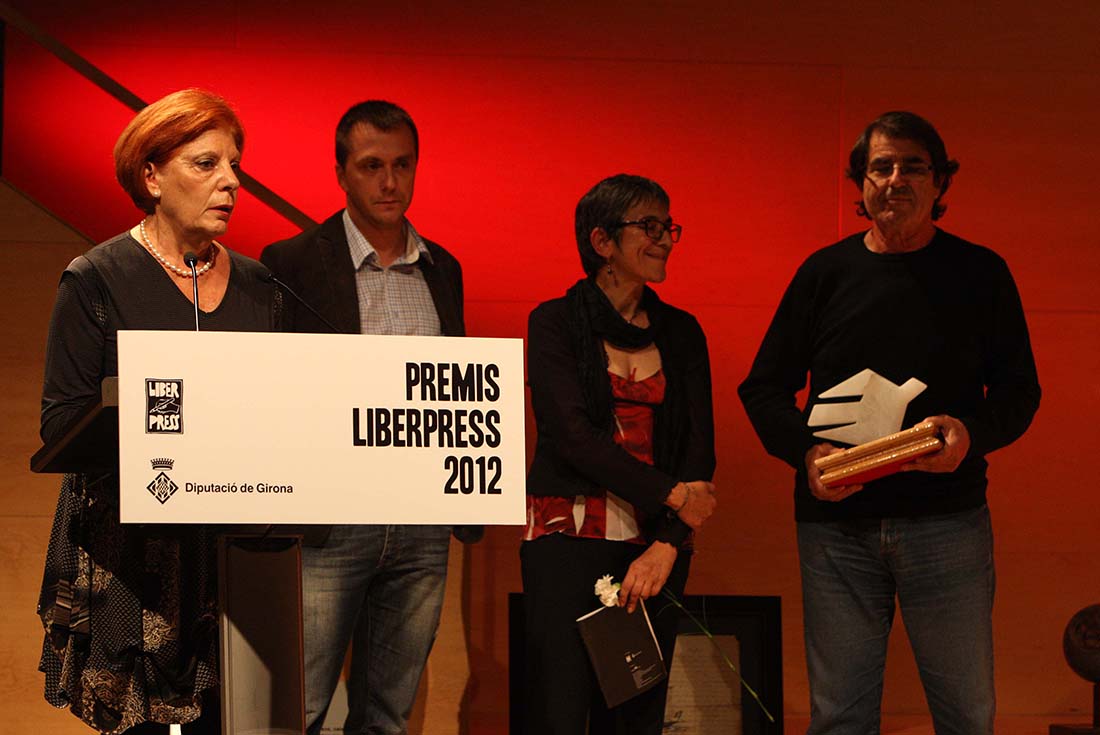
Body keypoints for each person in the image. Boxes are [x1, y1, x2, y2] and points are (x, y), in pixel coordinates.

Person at [738, 111, 1041, 735]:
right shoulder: (823, 274)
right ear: (861, 182)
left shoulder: (981, 273)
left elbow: (1019, 392)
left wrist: (970, 436)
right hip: (835, 528)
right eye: (881, 167)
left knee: (967, 715)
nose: (896, 179)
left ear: (939, 181)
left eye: (913, 166)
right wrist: (806, 453)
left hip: (948, 522)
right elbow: (763, 388)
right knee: (839, 716)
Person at [37, 89, 280, 734]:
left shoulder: (261, 286)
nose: (231, 182)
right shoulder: (97, 278)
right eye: (206, 164)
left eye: (235, 165)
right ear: (151, 176)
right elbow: (61, 425)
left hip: (237, 552)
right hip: (134, 554)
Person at [260, 99, 474, 735]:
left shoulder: (443, 268)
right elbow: (273, 385)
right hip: (334, 514)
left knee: (387, 715)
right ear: (341, 174)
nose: (389, 182)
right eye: (372, 166)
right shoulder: (293, 262)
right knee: (298, 707)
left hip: (423, 515)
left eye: (402, 165)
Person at [522, 173, 718, 735]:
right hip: (567, 537)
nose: (664, 239)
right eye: (648, 226)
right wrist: (674, 495)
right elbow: (572, 438)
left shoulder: (683, 332)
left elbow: (699, 451)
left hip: (656, 548)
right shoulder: (554, 322)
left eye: (668, 227)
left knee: (637, 717)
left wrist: (668, 543)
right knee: (560, 714)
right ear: (602, 241)